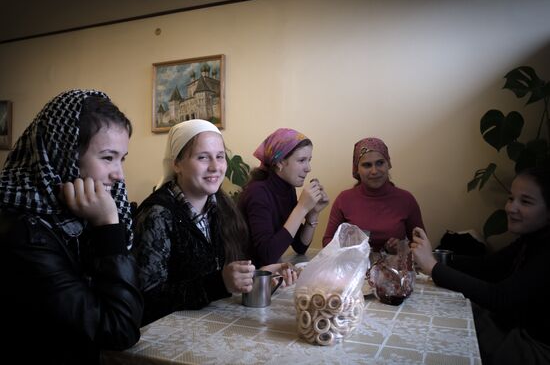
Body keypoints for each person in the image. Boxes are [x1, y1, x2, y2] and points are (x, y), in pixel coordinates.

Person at [0, 90, 143, 365]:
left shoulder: (77, 215)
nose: (119, 174)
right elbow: (118, 329)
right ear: (64, 154)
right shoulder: (24, 233)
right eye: (107, 157)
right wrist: (108, 229)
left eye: (121, 158)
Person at [132, 120, 295, 325]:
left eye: (220, 157)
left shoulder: (220, 207)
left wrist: (262, 273)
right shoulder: (156, 215)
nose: (215, 167)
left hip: (205, 323)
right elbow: (148, 300)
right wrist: (220, 283)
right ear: (177, 163)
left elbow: (221, 270)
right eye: (202, 157)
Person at [411, 166, 550, 365]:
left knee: (445, 329)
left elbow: (500, 297)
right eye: (511, 198)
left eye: (525, 201)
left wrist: (433, 267)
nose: (511, 208)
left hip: (535, 347)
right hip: (515, 328)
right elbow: (489, 266)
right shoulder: (530, 239)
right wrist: (436, 258)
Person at [238, 128, 329, 267]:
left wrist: (312, 213)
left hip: (267, 274)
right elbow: (268, 255)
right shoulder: (257, 193)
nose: (308, 168)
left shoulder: (287, 188)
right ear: (280, 162)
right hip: (248, 279)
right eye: (301, 160)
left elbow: (300, 246)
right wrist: (302, 207)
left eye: (309, 160)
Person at [322, 137, 424, 252]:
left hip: (394, 268)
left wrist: (402, 247)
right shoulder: (344, 199)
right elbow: (327, 242)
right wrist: (350, 246)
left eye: (380, 163)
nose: (374, 171)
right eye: (367, 165)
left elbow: (421, 245)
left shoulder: (406, 200)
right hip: (354, 268)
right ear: (357, 169)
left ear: (388, 164)